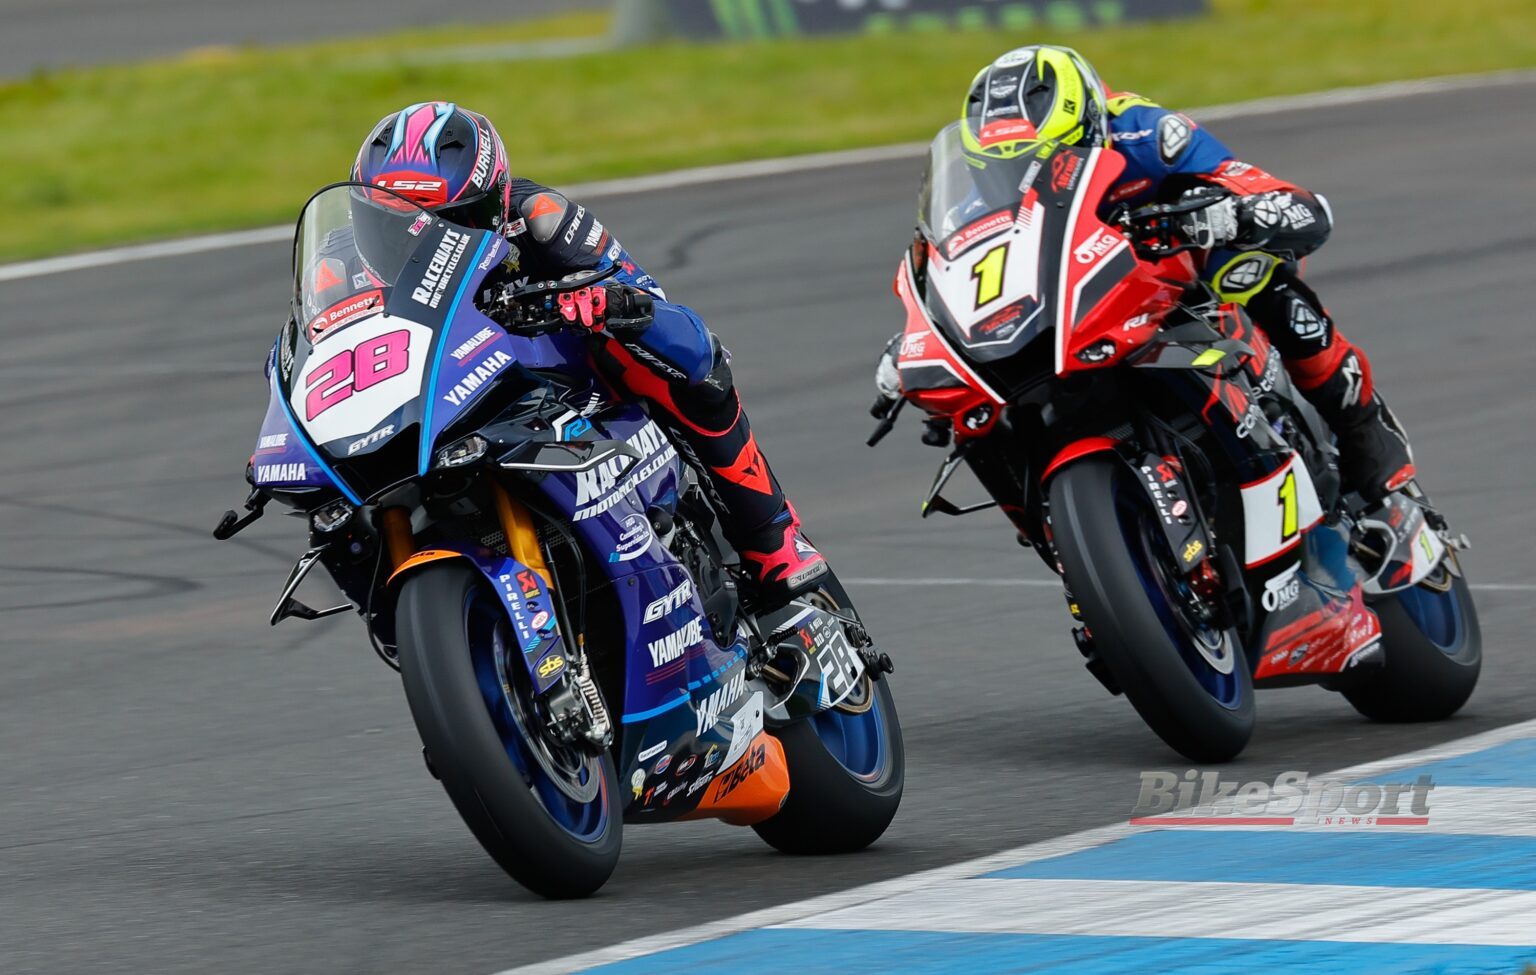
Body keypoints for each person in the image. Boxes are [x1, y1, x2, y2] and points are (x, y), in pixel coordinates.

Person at [350, 101, 827, 608]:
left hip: (550, 369)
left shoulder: (543, 218)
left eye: (447, 223)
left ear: (494, 204)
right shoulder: (341, 266)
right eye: (392, 225)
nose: (416, 243)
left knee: (677, 366)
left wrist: (611, 302)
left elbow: (676, 328)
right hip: (446, 390)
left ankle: (772, 536)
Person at [940, 45, 1415, 502]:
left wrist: (1242, 214)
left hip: (1174, 265)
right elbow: (958, 261)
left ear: (1089, 125)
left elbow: (1258, 186)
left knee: (1248, 271)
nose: (1027, 174)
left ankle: (1361, 424)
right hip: (1078, 299)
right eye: (1005, 164)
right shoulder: (978, 190)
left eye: (1047, 156)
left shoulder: (1145, 131)